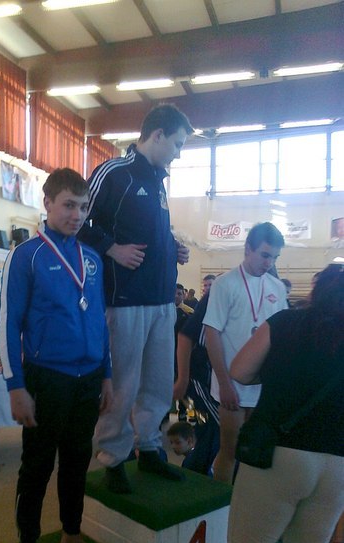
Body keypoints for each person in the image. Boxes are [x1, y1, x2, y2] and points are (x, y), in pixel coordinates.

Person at [0, 168, 113, 543]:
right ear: (47, 203)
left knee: (77, 461)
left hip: (88, 379)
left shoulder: (92, 259)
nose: (77, 215)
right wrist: (15, 385)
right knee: (37, 466)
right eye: (68, 205)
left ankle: (71, 534)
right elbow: (8, 324)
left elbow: (99, 320)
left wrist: (106, 374)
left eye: (83, 207)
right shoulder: (25, 256)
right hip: (46, 378)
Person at [79, 103, 192, 494]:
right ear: (157, 135)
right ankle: (112, 456)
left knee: (158, 384)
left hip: (162, 301)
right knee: (124, 385)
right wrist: (112, 249)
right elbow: (80, 220)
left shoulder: (158, 181)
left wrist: (173, 247)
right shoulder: (114, 172)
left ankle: (150, 447)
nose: (178, 154)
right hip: (125, 300)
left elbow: (146, 231)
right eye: (177, 144)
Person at [227, 264, 344, 543]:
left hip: (278, 454)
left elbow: (240, 370)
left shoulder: (285, 322)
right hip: (337, 463)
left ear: (316, 292)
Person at [203, 222, 287, 484]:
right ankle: (222, 505)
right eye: (265, 255)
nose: (269, 263)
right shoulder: (224, 284)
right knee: (230, 451)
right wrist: (224, 384)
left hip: (263, 386)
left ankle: (245, 501)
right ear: (248, 249)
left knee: (255, 451)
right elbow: (212, 334)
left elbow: (281, 338)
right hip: (233, 386)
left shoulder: (277, 288)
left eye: (275, 257)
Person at [173, 283, 220, 476]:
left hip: (208, 382)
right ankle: (193, 471)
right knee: (209, 427)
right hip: (200, 381)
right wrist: (182, 379)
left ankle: (195, 467)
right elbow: (185, 338)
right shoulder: (210, 302)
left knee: (208, 429)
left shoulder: (187, 311)